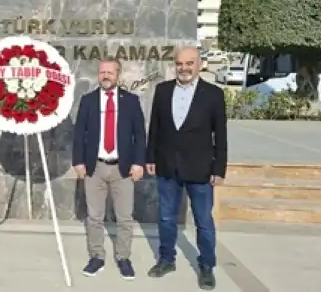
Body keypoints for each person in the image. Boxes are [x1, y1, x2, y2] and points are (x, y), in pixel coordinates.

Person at [145, 46, 227, 290]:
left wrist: (219, 169)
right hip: (167, 166)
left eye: (189, 63)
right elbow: (155, 128)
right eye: (180, 63)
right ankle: (167, 259)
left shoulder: (213, 94)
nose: (184, 68)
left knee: (203, 221)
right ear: (174, 65)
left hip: (201, 168)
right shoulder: (162, 91)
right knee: (166, 217)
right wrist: (151, 157)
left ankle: (206, 266)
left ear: (199, 64)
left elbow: (220, 135)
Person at [72, 57, 146, 280]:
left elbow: (140, 135)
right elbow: (79, 134)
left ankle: (123, 258)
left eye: (110, 72)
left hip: (122, 169)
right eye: (102, 72)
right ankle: (97, 257)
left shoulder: (131, 101)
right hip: (95, 167)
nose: (105, 76)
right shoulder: (88, 101)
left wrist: (138, 163)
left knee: (125, 217)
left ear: (118, 74)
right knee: (94, 216)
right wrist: (78, 161)